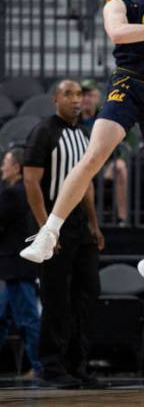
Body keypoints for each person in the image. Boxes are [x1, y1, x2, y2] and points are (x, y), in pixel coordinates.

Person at [19, 0, 144, 302]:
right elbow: (118, 33)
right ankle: (50, 230)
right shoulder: (117, 1)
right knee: (93, 156)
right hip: (128, 81)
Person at [22, 80, 101, 388]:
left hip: (80, 227)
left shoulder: (83, 135)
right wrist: (46, 230)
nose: (75, 100)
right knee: (56, 299)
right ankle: (52, 366)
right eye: (68, 94)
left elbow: (87, 184)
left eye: (79, 94)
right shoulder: (44, 132)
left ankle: (77, 364)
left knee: (86, 294)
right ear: (55, 99)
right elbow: (30, 182)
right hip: (54, 225)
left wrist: (94, 223)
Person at [0, 148, 40, 376]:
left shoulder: (12, 194)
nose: (2, 167)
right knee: (2, 318)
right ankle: (38, 364)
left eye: (5, 163)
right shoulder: (26, 191)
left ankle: (40, 366)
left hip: (15, 266)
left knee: (27, 319)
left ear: (16, 167)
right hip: (18, 266)